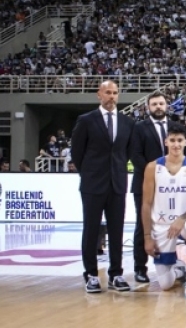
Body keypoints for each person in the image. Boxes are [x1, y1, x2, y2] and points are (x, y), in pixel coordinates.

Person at [70, 80, 134, 293]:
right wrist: (89, 173)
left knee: (117, 230)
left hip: (117, 183)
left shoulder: (127, 122)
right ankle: (91, 274)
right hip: (93, 184)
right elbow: (77, 152)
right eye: (107, 92)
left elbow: (126, 152)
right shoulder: (86, 120)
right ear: (99, 94)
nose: (111, 96)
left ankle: (116, 274)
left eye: (115, 93)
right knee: (91, 230)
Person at [140, 123, 186, 300]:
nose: (176, 144)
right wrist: (147, 237)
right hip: (161, 226)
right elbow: (146, 204)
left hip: (183, 223)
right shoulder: (152, 167)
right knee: (165, 284)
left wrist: (181, 219)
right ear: (166, 142)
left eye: (180, 140)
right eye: (173, 140)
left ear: (185, 142)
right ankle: (180, 269)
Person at [130, 92, 175, 283]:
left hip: (172, 185)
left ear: (166, 105)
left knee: (173, 222)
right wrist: (156, 174)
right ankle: (140, 268)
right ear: (148, 107)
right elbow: (135, 155)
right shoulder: (139, 127)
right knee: (143, 224)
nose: (158, 107)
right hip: (144, 183)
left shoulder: (175, 127)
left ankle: (175, 264)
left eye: (161, 103)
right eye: (154, 104)